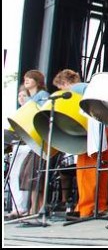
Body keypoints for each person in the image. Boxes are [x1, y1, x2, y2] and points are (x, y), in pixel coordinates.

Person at [52, 69, 108, 218]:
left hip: (95, 128)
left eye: (60, 88)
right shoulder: (92, 86)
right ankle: (101, 206)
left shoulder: (76, 89)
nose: (61, 91)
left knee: (86, 167)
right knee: (101, 166)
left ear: (65, 83)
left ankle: (85, 208)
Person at [18, 70, 50, 215]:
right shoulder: (30, 98)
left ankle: (36, 209)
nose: (27, 80)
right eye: (25, 78)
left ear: (38, 81)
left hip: (41, 140)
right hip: (33, 141)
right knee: (29, 173)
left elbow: (43, 115)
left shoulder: (42, 96)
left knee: (35, 174)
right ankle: (34, 208)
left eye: (30, 78)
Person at [7, 87, 32, 218]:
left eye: (24, 95)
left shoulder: (30, 110)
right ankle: (16, 206)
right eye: (19, 96)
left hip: (26, 146)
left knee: (21, 176)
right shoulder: (18, 112)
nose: (21, 98)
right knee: (13, 175)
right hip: (17, 146)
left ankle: (22, 207)